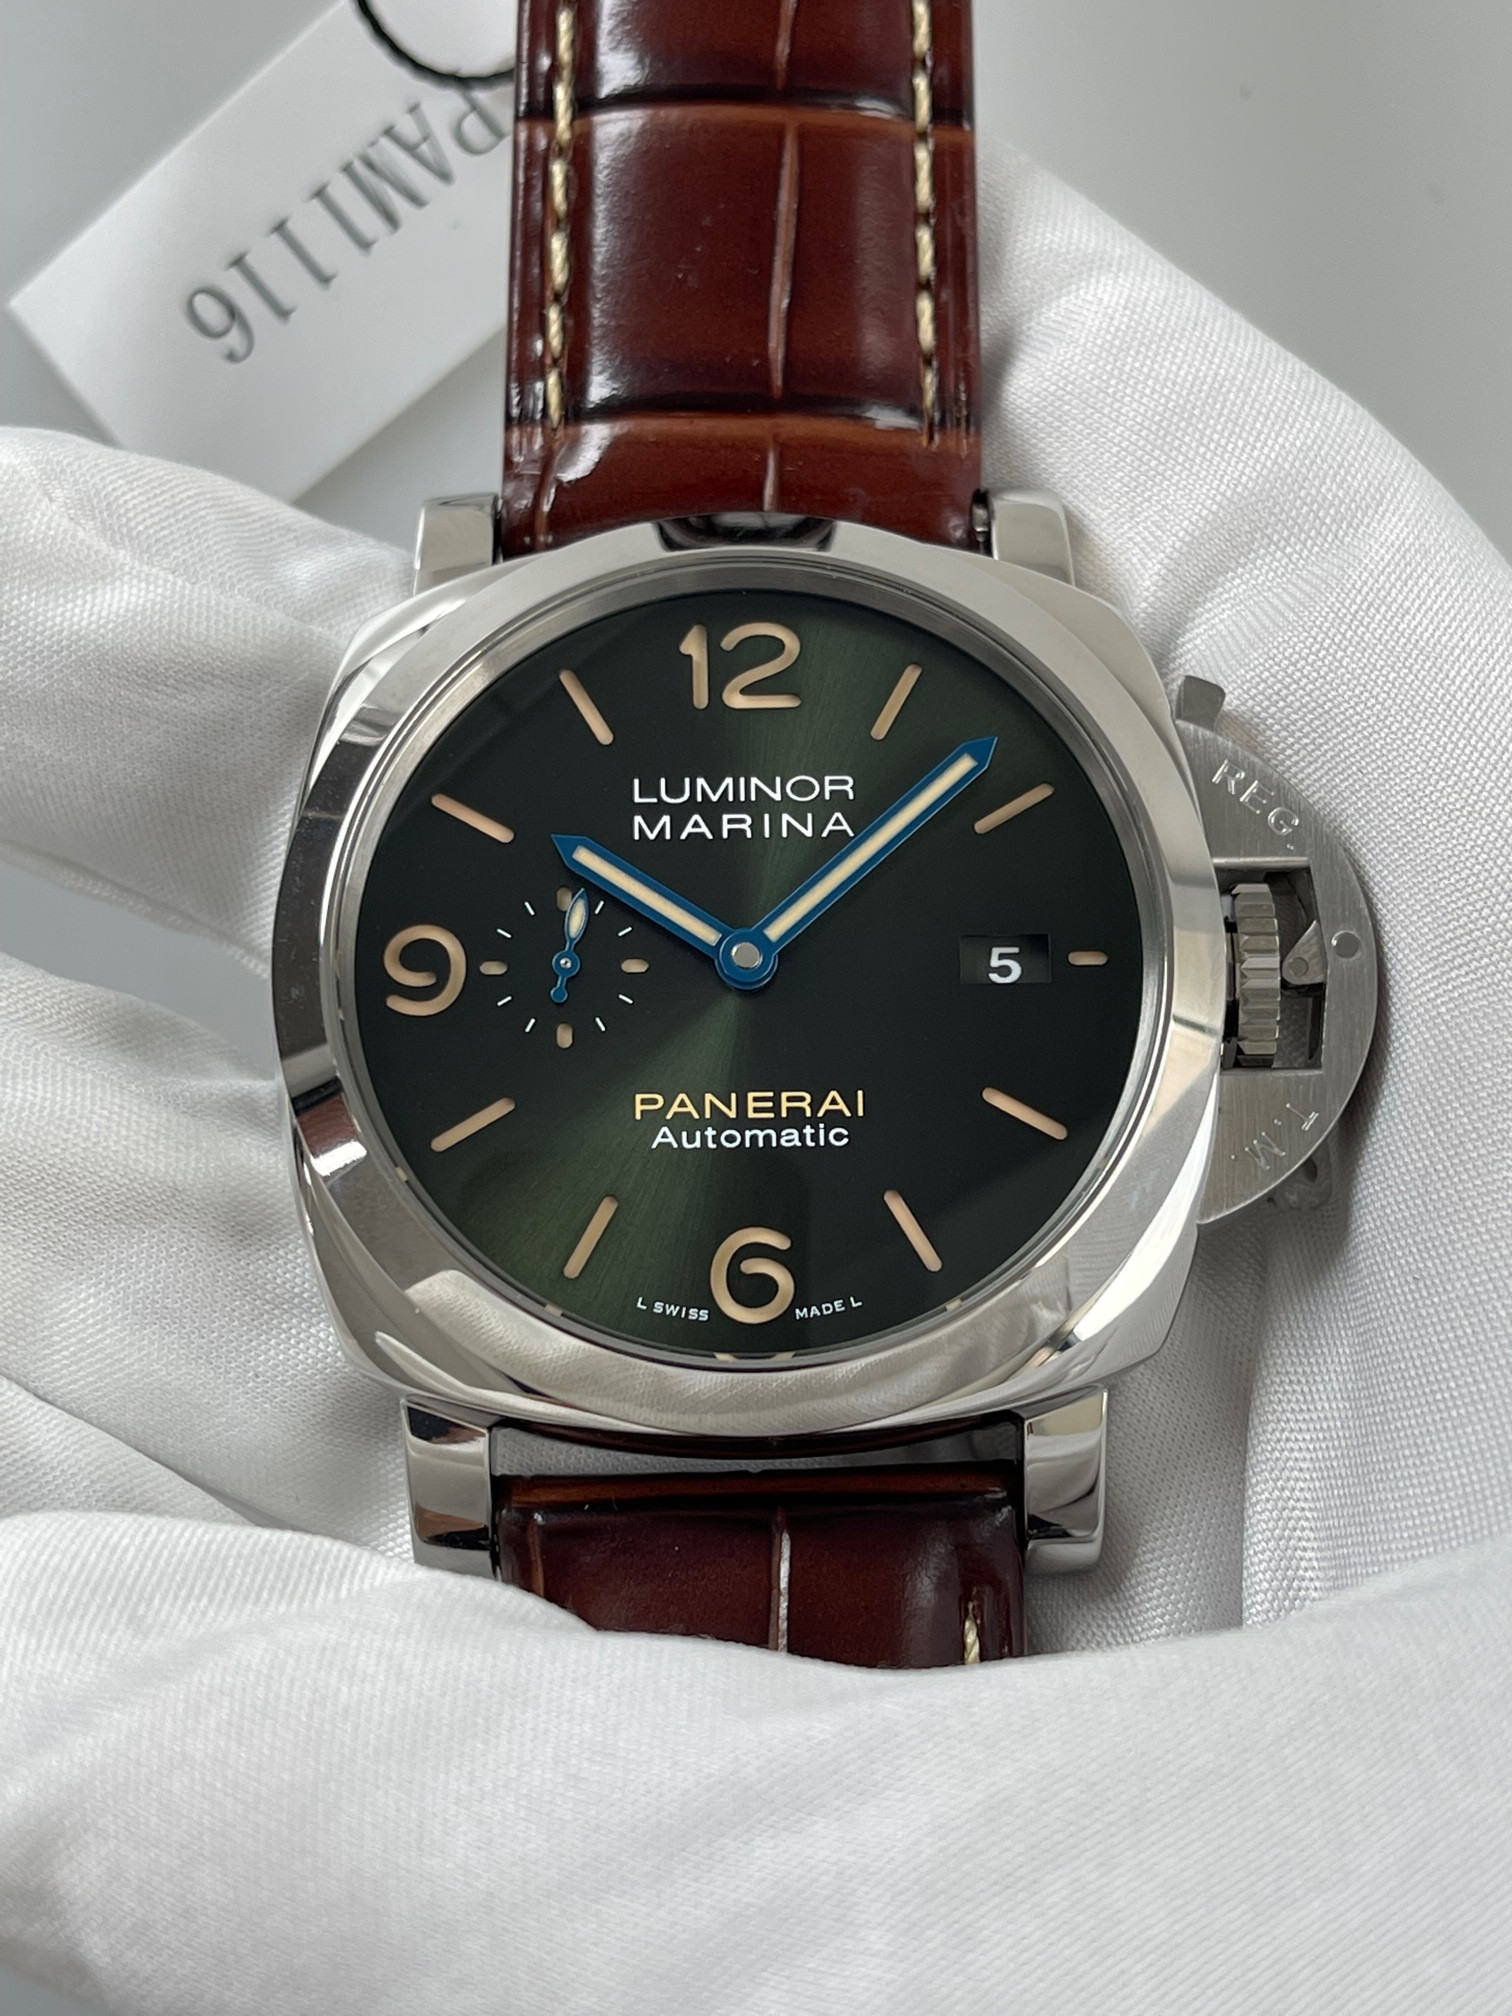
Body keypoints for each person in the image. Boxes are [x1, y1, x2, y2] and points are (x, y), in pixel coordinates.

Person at [2, 143, 1509, 2015]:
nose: (745, 965)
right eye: (722, 951)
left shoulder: (1001, 639)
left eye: (758, 952)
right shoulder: (974, 618)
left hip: (928, 1358)